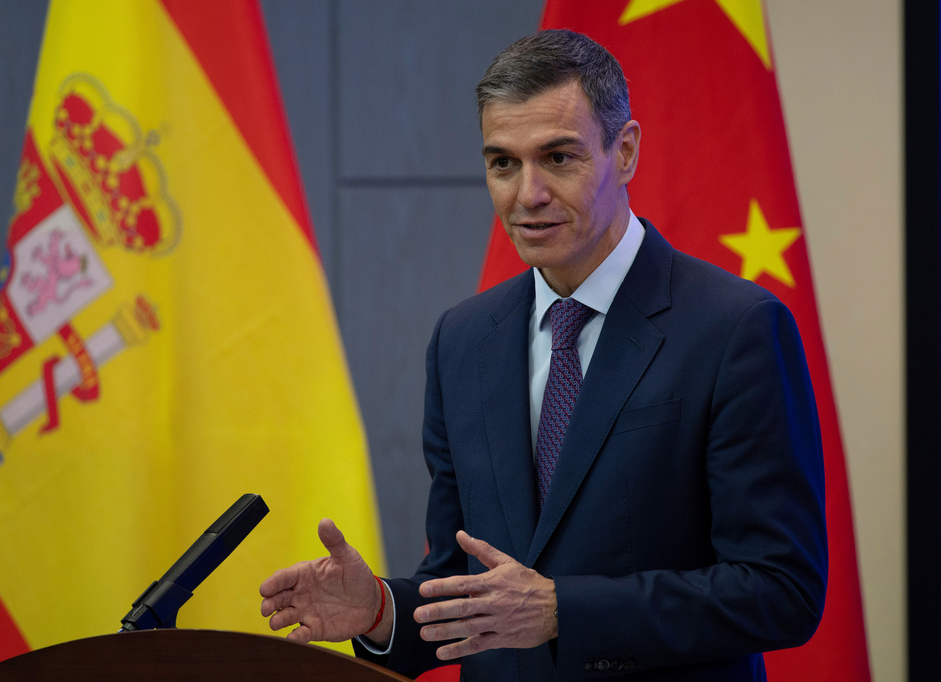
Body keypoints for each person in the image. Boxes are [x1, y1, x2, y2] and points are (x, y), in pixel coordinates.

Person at [260, 29, 827, 681]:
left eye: (558, 158)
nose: (526, 194)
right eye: (502, 163)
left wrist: (565, 611)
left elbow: (782, 590)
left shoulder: (737, 329)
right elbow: (464, 585)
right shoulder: (462, 340)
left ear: (626, 152)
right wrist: (382, 611)